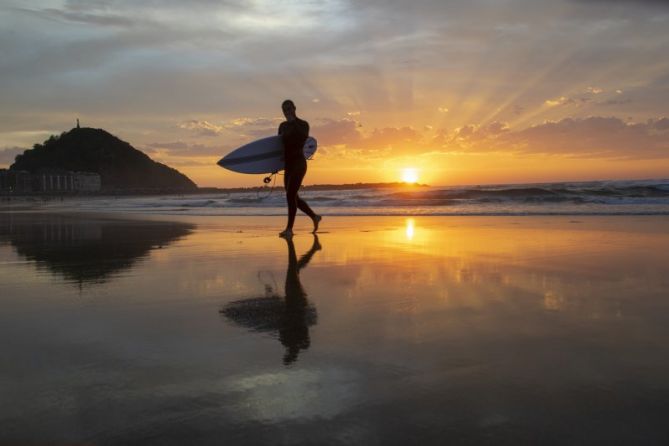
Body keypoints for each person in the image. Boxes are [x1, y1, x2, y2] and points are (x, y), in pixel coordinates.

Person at [278, 99, 321, 238]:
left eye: (289, 109)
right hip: (288, 165)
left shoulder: (303, 124)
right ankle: (314, 217)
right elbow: (280, 146)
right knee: (293, 196)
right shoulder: (282, 126)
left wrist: (293, 121)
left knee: (290, 195)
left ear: (294, 108)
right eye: (285, 110)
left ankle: (289, 229)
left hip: (299, 164)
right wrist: (275, 166)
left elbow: (303, 136)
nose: (287, 112)